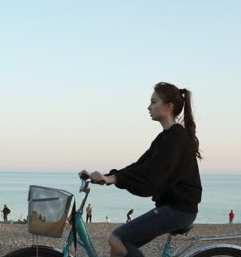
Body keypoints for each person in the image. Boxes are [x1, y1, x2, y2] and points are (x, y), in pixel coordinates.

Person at [83, 83, 202, 257]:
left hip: (180, 210)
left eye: (154, 102)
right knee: (117, 250)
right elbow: (140, 166)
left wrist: (114, 179)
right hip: (173, 207)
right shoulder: (165, 137)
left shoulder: (176, 138)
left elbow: (152, 174)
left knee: (118, 239)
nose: (149, 107)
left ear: (168, 107)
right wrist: (110, 176)